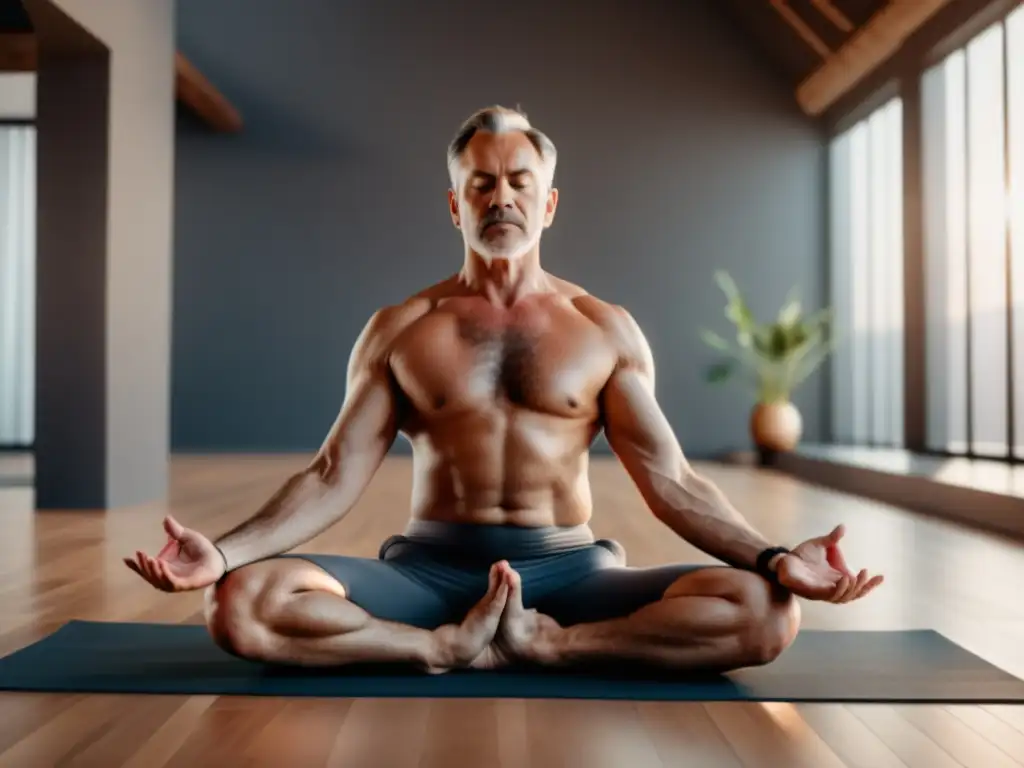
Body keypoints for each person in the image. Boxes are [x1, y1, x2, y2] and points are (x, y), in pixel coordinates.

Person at [125, 105, 883, 675]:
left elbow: (671, 481)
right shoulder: (401, 327)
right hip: (425, 570)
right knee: (238, 607)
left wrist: (776, 558)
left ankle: (554, 645)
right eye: (480, 184)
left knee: (764, 615)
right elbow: (332, 475)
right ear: (454, 204)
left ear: (547, 202)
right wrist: (221, 556)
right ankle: (438, 648)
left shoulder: (604, 327)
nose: (501, 199)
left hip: (573, 572)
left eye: (520, 183)